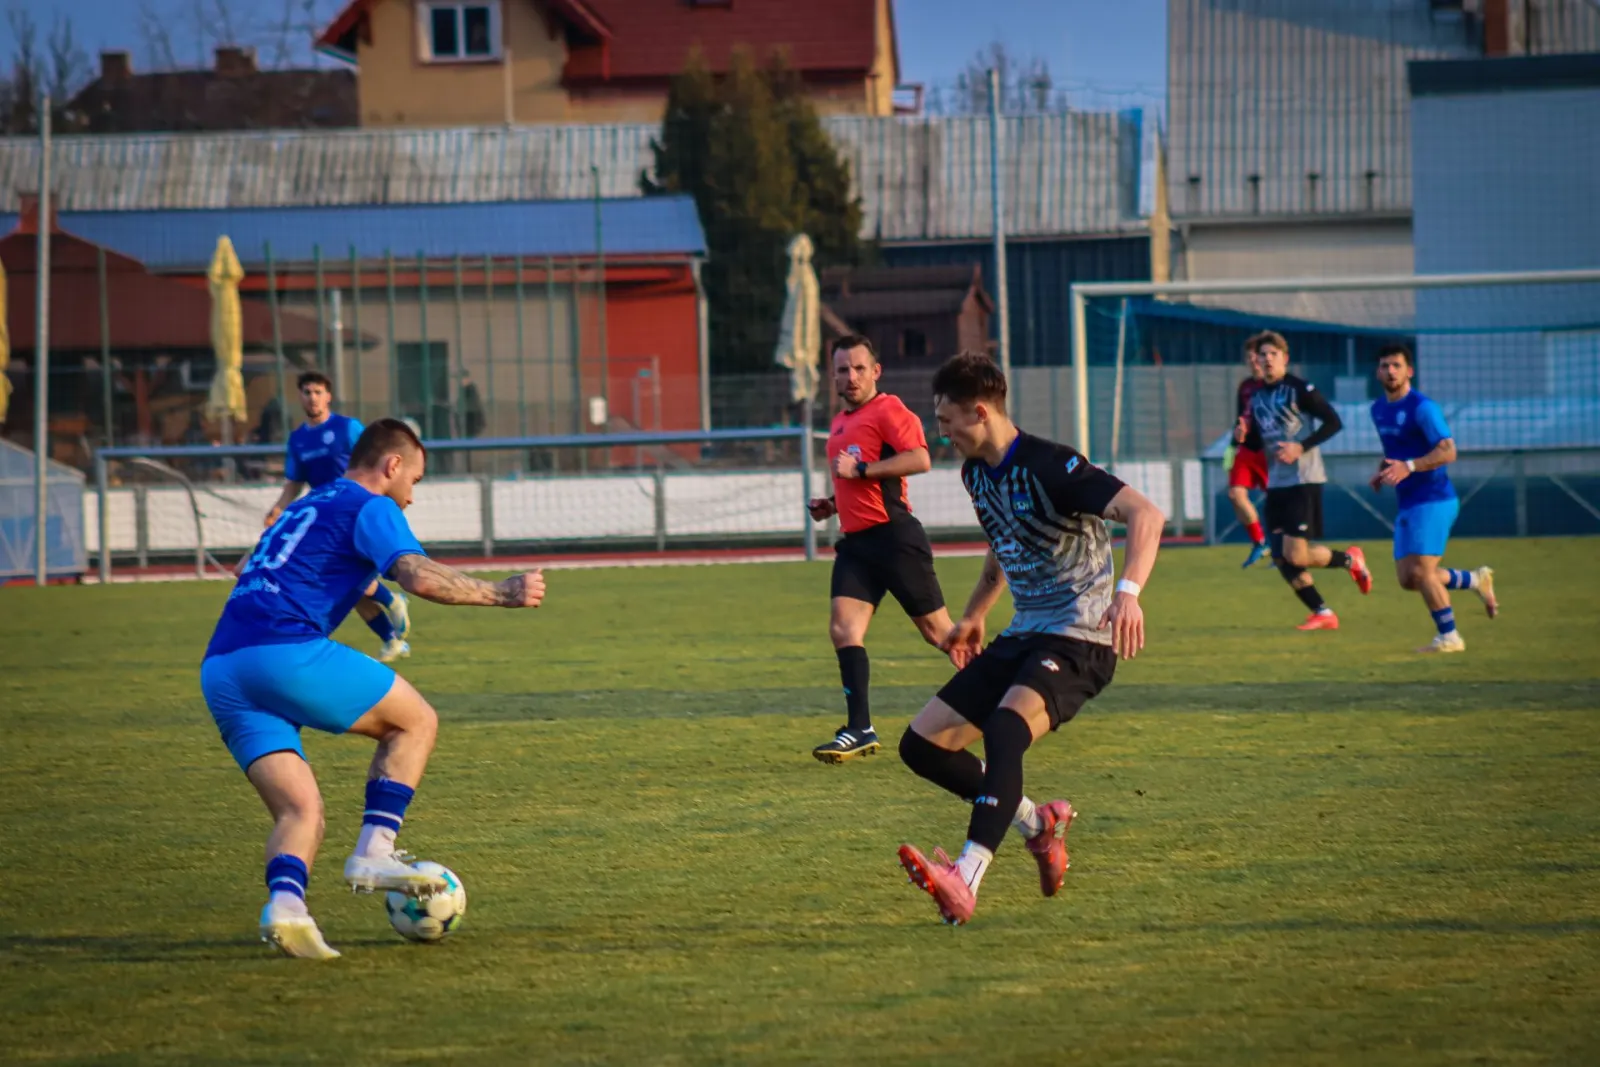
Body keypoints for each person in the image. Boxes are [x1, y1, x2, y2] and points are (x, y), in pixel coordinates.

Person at [201, 419, 547, 959]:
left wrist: (365, 590)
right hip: (283, 652)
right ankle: (375, 851)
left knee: (301, 812)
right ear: (392, 465)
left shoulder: (307, 503)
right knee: (416, 721)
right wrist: (503, 592)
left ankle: (286, 909)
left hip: (223, 669)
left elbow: (252, 565)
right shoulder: (373, 505)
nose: (411, 497)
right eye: (415, 480)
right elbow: (419, 576)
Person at [894, 352, 1165, 926]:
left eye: (946, 421)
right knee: (921, 746)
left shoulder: (1052, 465)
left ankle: (965, 877)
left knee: (1004, 729)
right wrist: (975, 614)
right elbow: (1005, 542)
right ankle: (1039, 825)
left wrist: (1129, 592)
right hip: (1025, 633)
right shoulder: (976, 474)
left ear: (981, 412)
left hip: (1081, 639)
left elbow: (1146, 513)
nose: (941, 434)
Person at [806, 335, 964, 764]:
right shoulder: (839, 423)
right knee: (843, 629)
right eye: (843, 369)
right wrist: (832, 504)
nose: (851, 377)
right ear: (833, 376)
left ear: (876, 371)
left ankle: (1003, 692)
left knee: (941, 635)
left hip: (894, 539)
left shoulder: (889, 409)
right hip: (857, 544)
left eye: (859, 368)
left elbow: (920, 458)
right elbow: (858, 484)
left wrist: (860, 469)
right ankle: (859, 728)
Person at [265, 372, 413, 662]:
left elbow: (377, 457)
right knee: (348, 586)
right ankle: (392, 636)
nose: (313, 398)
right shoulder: (298, 440)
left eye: (318, 392)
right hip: (325, 520)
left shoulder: (347, 428)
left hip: (356, 512)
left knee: (348, 579)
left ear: (328, 396)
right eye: (307, 392)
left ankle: (391, 603)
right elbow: (294, 483)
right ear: (300, 397)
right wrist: (278, 510)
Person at [1368, 344, 1497, 652]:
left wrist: (1410, 467)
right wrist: (1383, 469)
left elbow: (1448, 451)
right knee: (1408, 578)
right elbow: (1398, 450)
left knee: (1423, 571)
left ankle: (1450, 637)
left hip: (1435, 498)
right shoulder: (1378, 409)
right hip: (1408, 500)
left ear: (1409, 371)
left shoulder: (1423, 408)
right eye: (1385, 366)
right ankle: (1474, 580)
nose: (1391, 371)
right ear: (1378, 373)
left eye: (1397, 365)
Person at [1247, 331, 1372, 630]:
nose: (1267, 359)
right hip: (1276, 484)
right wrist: (1243, 437)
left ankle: (1351, 561)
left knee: (1297, 554)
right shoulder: (1256, 396)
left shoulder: (1300, 388)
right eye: (1262, 355)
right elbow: (1255, 443)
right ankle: (1323, 612)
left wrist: (1300, 447)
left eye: (1273, 354)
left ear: (1285, 358)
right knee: (1281, 556)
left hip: (1303, 480)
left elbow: (1333, 422)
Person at [1227, 343, 1271, 568]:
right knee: (1235, 494)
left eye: (1257, 357)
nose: (1254, 362)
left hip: (1268, 449)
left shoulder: (1273, 386)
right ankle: (1259, 542)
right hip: (1246, 450)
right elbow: (1240, 418)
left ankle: (1281, 547)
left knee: (1277, 500)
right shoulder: (1245, 386)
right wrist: (1232, 445)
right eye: (1249, 358)